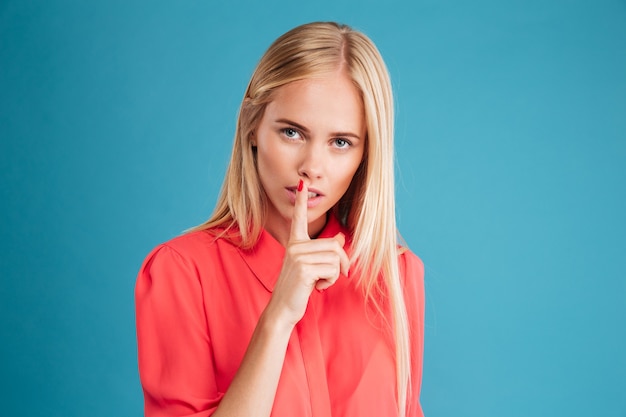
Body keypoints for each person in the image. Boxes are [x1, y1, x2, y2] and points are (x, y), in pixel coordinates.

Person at [135, 21, 425, 417]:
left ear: (365, 155)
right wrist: (278, 316)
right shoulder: (181, 272)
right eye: (292, 133)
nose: (312, 167)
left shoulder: (395, 274)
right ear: (253, 127)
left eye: (341, 142)